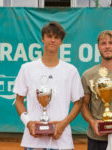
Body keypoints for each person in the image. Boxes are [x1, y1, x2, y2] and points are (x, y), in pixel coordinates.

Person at [13, 21, 84, 150]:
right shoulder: (26, 68)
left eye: (56, 37)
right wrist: (28, 123)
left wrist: (63, 124)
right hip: (33, 142)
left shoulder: (71, 70)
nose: (53, 40)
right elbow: (18, 101)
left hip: (61, 141)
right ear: (42, 38)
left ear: (61, 42)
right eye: (49, 36)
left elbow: (78, 103)